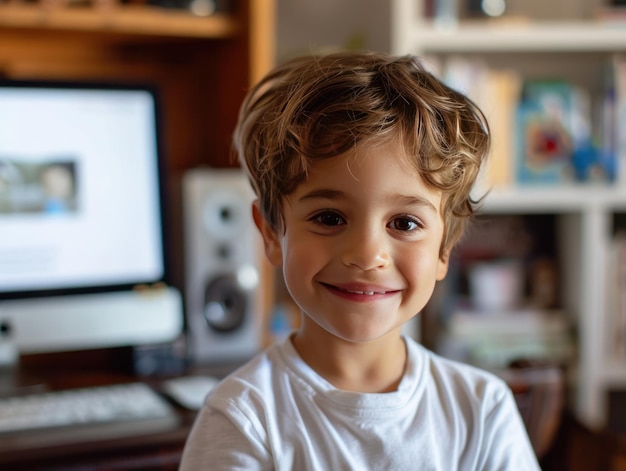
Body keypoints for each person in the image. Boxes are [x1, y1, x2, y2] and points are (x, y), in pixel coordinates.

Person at [180, 51, 540, 470]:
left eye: (404, 223)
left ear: (444, 249)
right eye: (329, 218)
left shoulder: (481, 410)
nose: (368, 255)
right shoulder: (243, 420)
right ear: (272, 233)